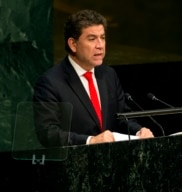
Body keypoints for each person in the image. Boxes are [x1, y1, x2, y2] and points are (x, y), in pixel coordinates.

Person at [33, 9, 154, 147]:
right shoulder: (51, 82)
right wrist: (90, 141)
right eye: (92, 39)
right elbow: (48, 133)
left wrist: (138, 131)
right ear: (73, 44)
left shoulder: (109, 75)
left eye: (102, 38)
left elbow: (122, 117)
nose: (100, 45)